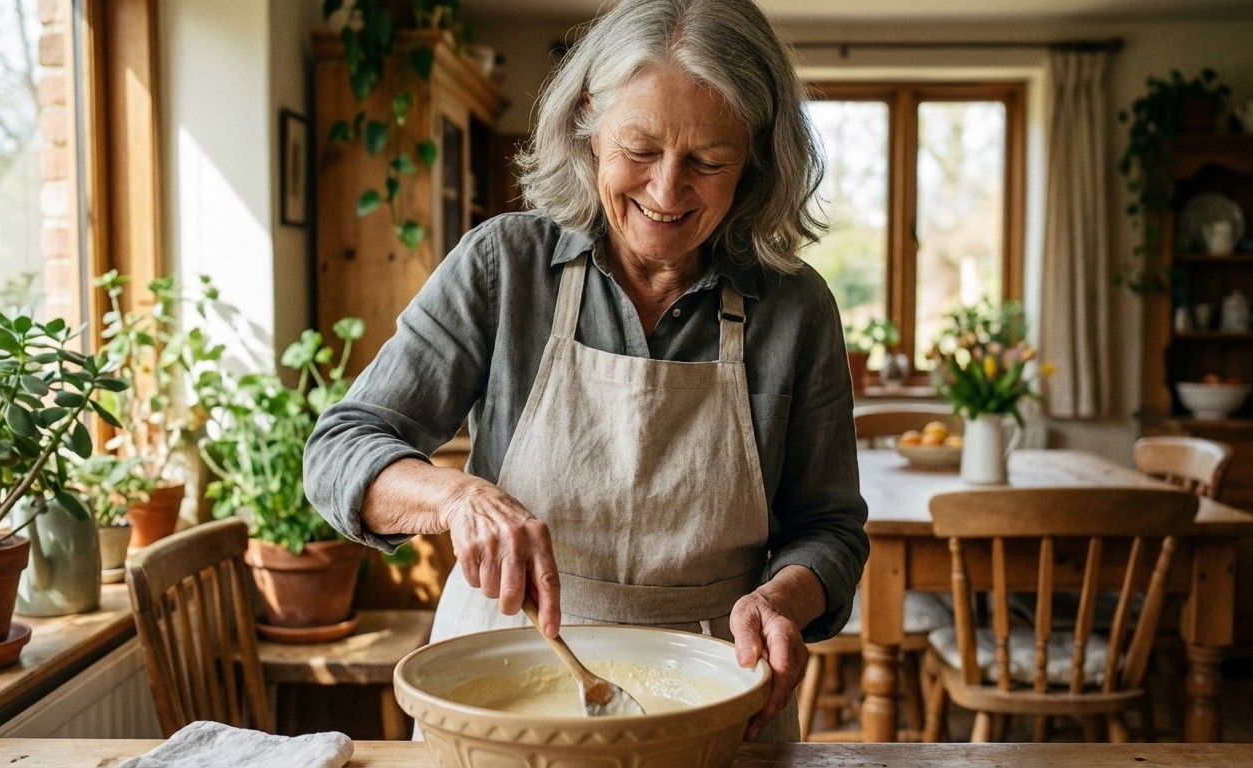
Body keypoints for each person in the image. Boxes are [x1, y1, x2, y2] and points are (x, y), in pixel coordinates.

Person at [304, 0, 868, 741]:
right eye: (638, 148)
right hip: (500, 680)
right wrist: (455, 499)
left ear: (757, 157)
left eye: (707, 161)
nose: (666, 193)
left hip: (714, 692)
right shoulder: (504, 266)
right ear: (587, 123)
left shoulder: (793, 307)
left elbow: (828, 528)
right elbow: (341, 447)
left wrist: (786, 599)